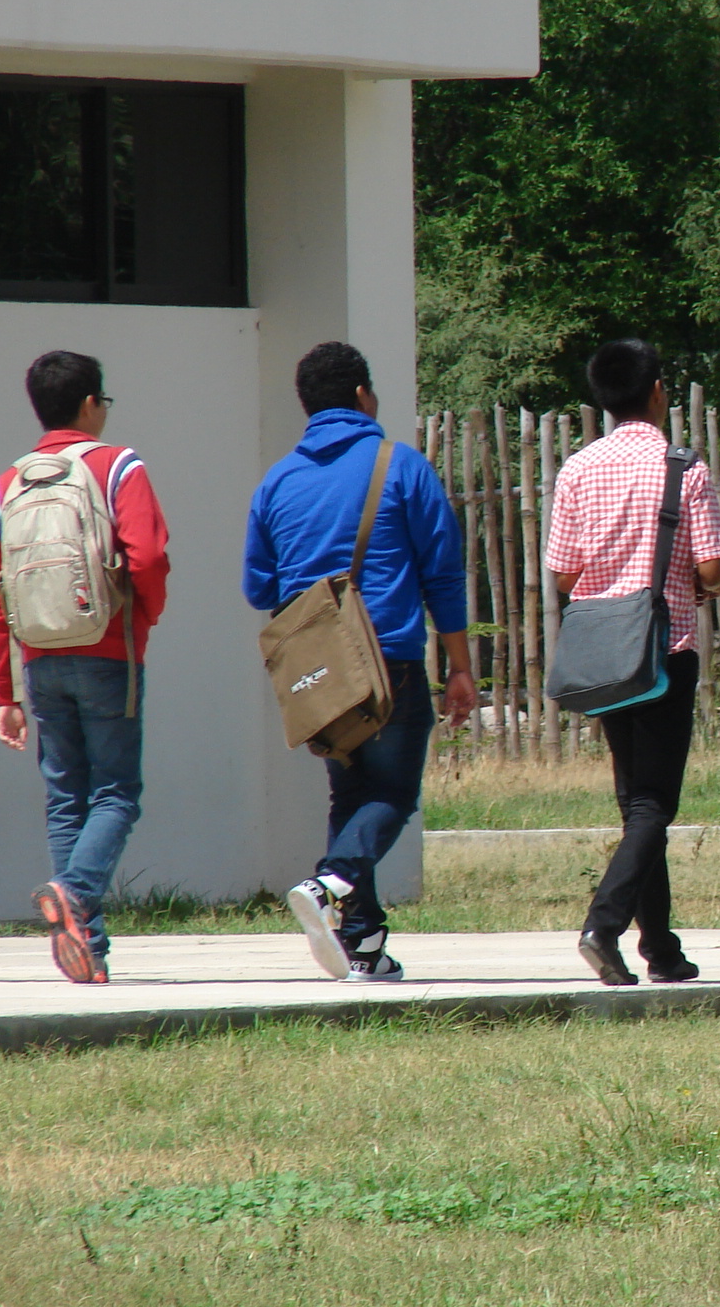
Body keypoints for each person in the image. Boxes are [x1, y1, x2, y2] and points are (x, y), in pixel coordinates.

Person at [244, 342, 476, 982]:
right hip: (389, 662)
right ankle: (330, 885)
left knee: (349, 796)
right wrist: (458, 665)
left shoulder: (278, 481)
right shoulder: (401, 467)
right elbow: (443, 575)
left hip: (313, 673)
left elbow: (260, 588)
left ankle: (365, 943)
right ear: (362, 397)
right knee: (394, 795)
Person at [544, 340, 720, 986]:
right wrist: (693, 580)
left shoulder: (577, 469)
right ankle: (604, 923)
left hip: (605, 654)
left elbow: (564, 574)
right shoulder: (684, 468)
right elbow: (711, 567)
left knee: (637, 805)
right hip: (666, 648)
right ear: (657, 391)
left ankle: (662, 950)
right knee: (654, 805)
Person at [0, 352, 171, 985]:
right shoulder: (118, 464)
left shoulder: (6, 483)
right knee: (118, 792)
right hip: (107, 650)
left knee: (66, 798)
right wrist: (143, 619)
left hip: (38, 656)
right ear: (91, 404)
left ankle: (83, 944)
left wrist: (4, 690)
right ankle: (75, 892)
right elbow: (146, 557)